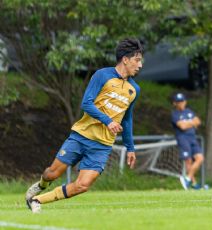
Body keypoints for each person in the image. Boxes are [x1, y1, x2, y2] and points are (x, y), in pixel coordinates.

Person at [25, 38, 144, 213]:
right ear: (125, 59)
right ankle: (41, 185)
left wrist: (130, 147)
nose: (140, 65)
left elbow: (127, 119)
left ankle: (36, 200)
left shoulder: (135, 89)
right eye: (137, 60)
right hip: (81, 136)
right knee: (52, 173)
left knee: (83, 185)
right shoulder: (102, 75)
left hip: (102, 145)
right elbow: (86, 103)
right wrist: (108, 121)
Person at [171, 93, 204, 190]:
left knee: (200, 158)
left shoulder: (189, 111)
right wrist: (191, 123)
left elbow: (198, 121)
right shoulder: (175, 114)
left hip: (192, 138)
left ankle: (187, 179)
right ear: (175, 103)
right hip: (182, 138)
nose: (181, 103)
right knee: (188, 161)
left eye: (182, 101)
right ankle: (194, 184)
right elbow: (182, 126)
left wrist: (188, 123)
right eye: (178, 102)